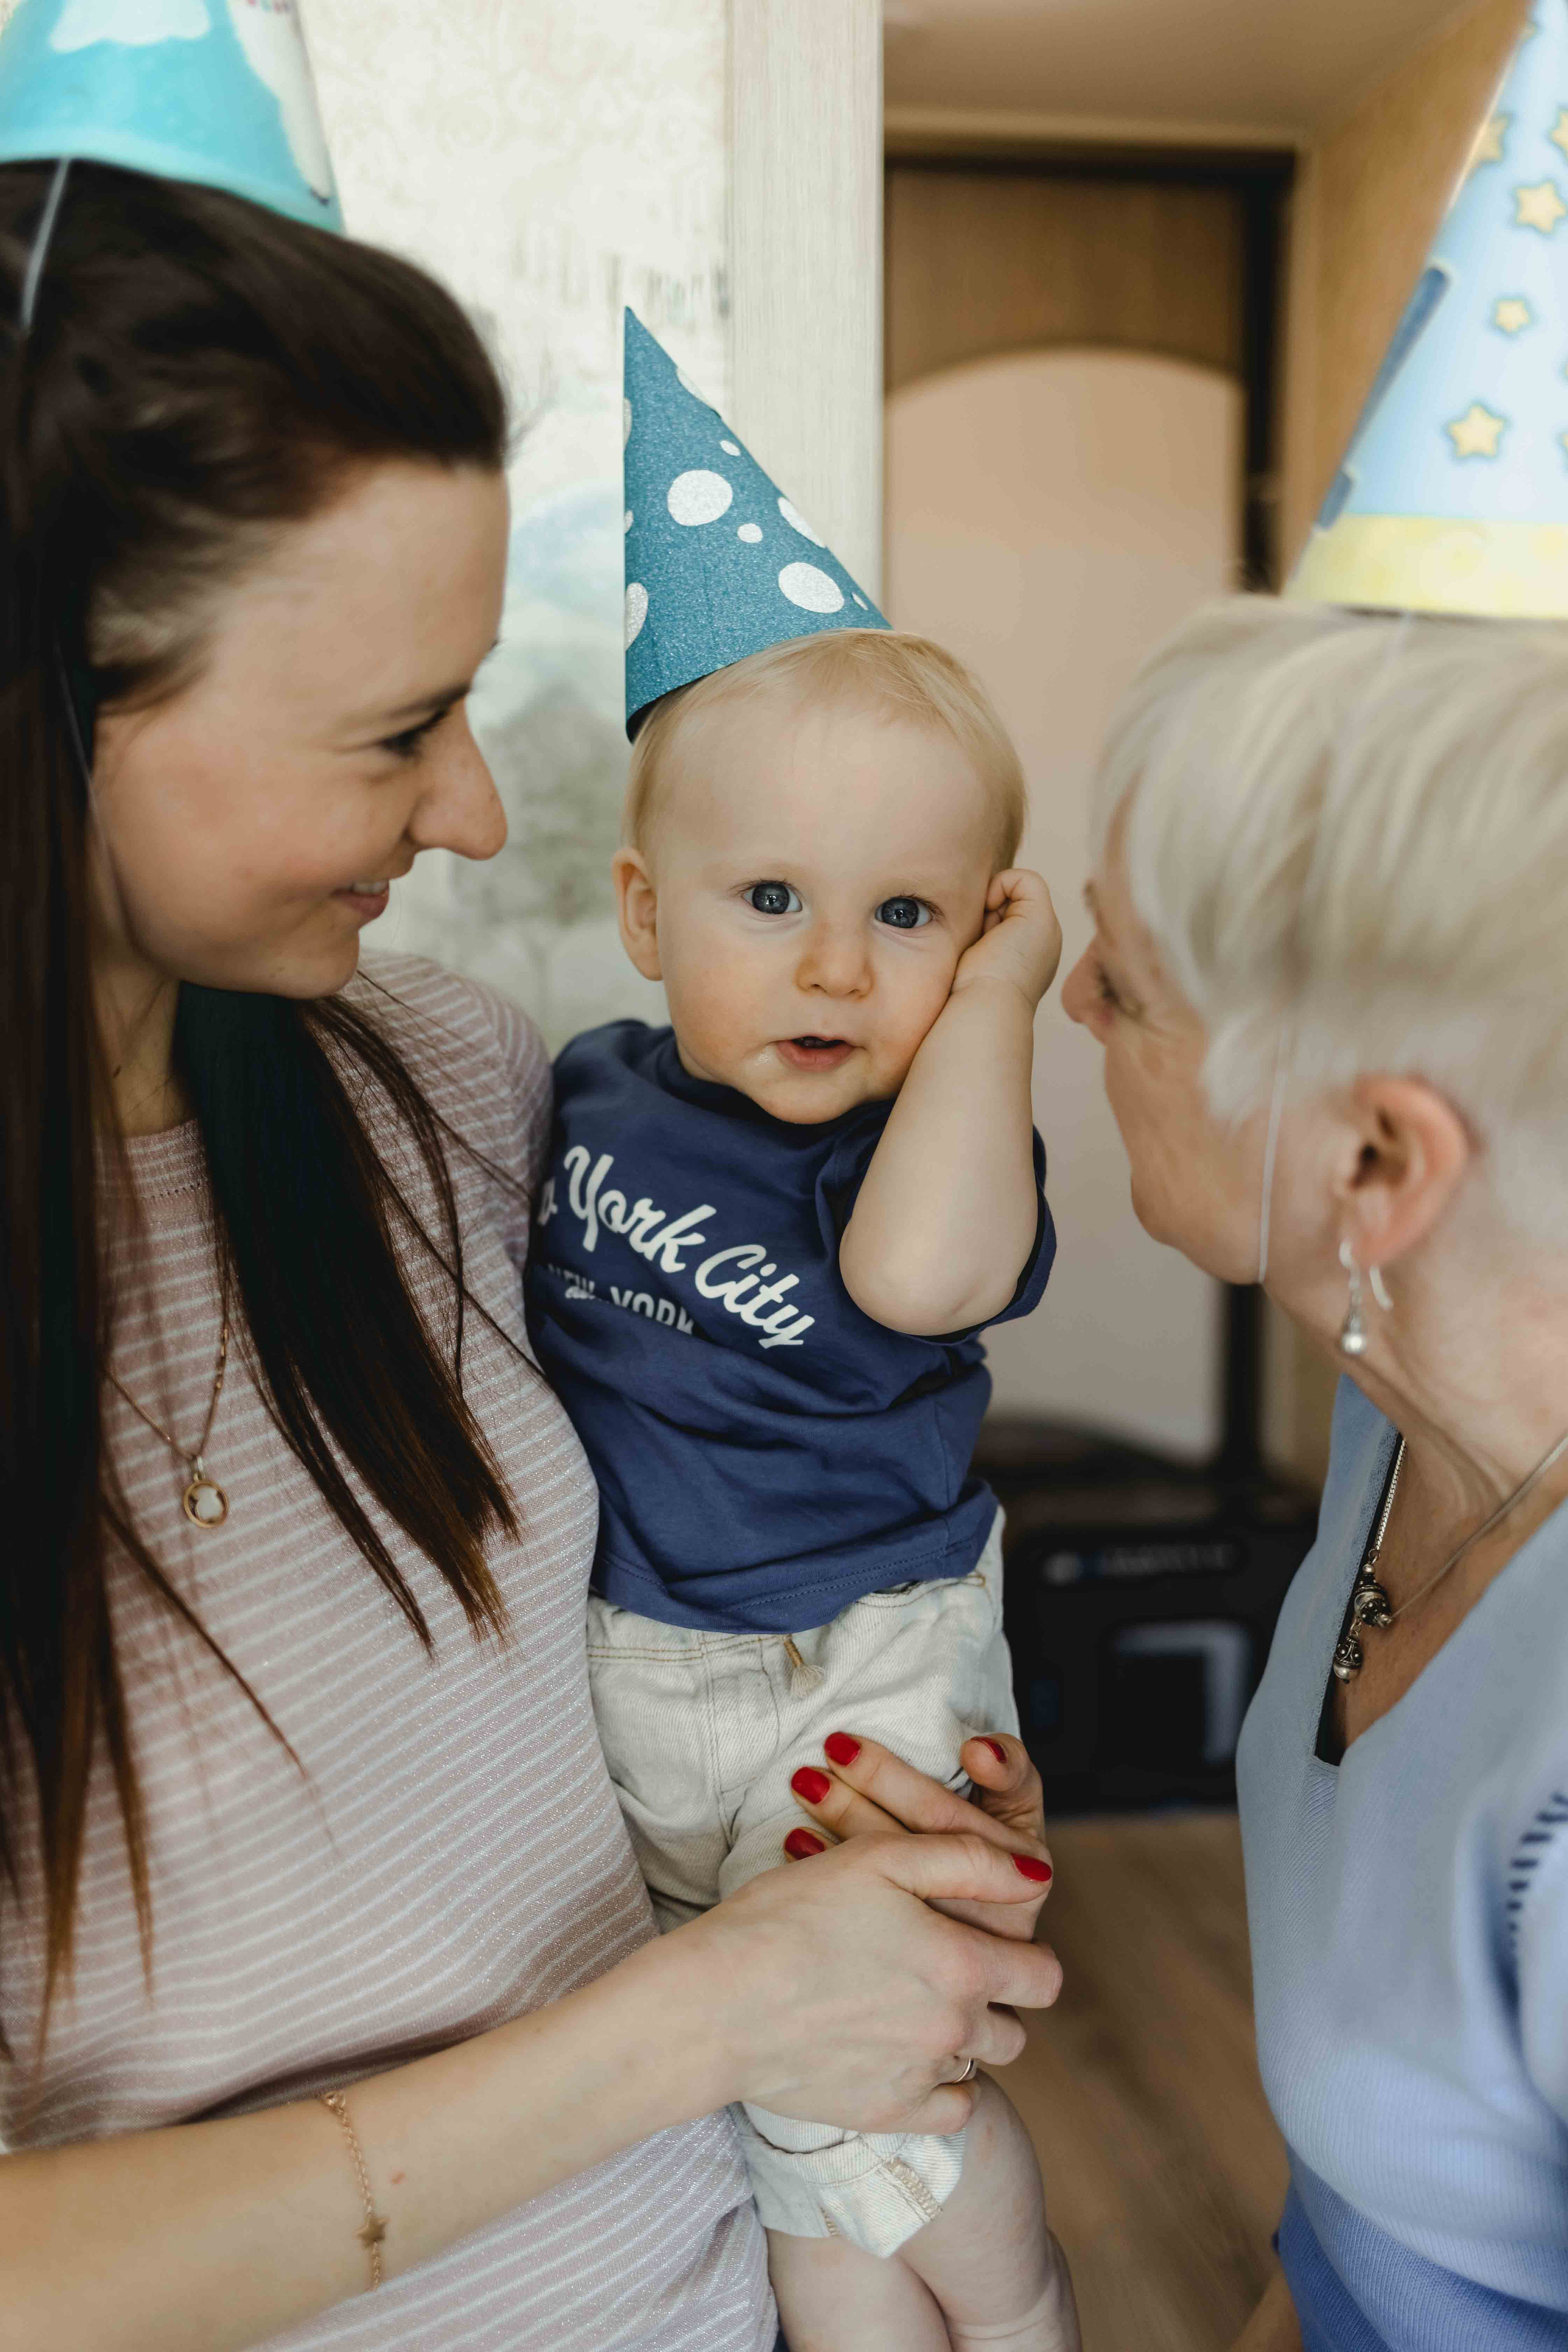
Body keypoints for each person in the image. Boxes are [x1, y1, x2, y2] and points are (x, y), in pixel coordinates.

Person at [0, 22, 1068, 2351]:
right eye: (400, 729)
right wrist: (716, 2016)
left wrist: (868, 1807)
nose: (479, 813)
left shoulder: (466, 1094)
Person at [527, 625, 1076, 2350]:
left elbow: (918, 1282)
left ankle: (1022, 2314)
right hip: (636, 1676)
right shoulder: (587, 1089)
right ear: (644, 913)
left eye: (907, 916)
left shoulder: (927, 1147)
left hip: (856, 1663)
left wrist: (998, 1010)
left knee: (845, 2093)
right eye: (771, 898)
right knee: (770, 2136)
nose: (837, 968)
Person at [1065, 594, 1568, 2351]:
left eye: (1128, 983)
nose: (1070, 998)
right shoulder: (1396, 1417)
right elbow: (1364, 2228)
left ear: (1374, 1161)